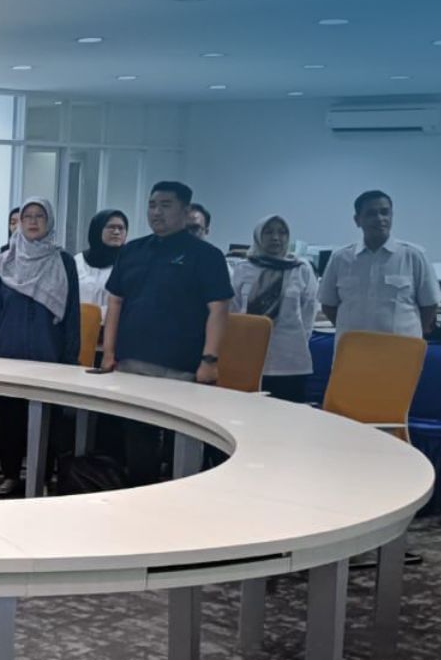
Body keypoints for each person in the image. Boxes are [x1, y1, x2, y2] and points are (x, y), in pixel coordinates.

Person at [101, 181, 232, 485]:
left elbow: (219, 310)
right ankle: (140, 491)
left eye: (165, 205)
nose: (156, 212)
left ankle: (181, 497)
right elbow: (115, 302)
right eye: (152, 205)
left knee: (182, 441)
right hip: (132, 362)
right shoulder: (132, 250)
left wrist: (210, 359)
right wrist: (108, 353)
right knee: (138, 437)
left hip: (182, 366)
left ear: (185, 211)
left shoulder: (206, 255)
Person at [0, 199, 83, 495]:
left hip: (47, 351)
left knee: (46, 419)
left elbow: (71, 312)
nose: (33, 222)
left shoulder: (63, 261)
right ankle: (11, 474)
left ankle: (43, 476)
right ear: (19, 222)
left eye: (40, 216)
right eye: (28, 217)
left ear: (50, 222)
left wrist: (70, 356)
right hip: (7, 350)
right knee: (8, 418)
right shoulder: (6, 258)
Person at [319, 190, 441, 339]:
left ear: (392, 216)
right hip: (353, 347)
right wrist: (347, 329)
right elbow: (328, 305)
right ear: (357, 220)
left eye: (385, 212)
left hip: (400, 347)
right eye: (371, 214)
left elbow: (430, 305)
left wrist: (410, 333)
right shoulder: (340, 258)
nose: (379, 218)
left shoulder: (414, 256)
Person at [231, 215, 319, 402]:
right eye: (268, 232)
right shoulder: (243, 269)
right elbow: (234, 311)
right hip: (249, 356)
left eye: (282, 232)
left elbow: (308, 312)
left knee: (288, 414)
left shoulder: (301, 269)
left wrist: (296, 341)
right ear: (258, 236)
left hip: (290, 358)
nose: (276, 237)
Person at [77, 210, 129, 323]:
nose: (116, 232)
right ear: (97, 229)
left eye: (121, 228)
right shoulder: (78, 262)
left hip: (114, 327)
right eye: (111, 227)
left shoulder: (129, 264)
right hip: (80, 327)